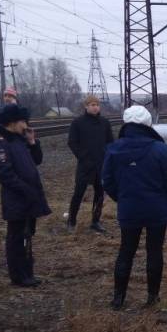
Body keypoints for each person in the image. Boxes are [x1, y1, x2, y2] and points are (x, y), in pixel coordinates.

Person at [101, 105, 167, 309]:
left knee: (126, 250)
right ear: (148, 124)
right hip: (158, 209)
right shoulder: (160, 149)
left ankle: (118, 299)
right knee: (154, 250)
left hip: (129, 208)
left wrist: (122, 198)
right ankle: (152, 297)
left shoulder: (114, 149)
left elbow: (106, 180)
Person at [0, 104, 50, 287]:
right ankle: (18, 276)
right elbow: (5, 175)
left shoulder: (19, 141)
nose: (26, 125)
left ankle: (27, 272)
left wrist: (32, 142)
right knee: (16, 237)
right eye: (23, 121)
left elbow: (37, 160)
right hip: (17, 200)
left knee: (27, 234)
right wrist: (26, 190)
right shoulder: (1, 145)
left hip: (29, 199)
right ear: (12, 122)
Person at [67, 95, 114, 233]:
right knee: (78, 193)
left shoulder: (104, 123)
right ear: (86, 106)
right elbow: (72, 142)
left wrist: (107, 157)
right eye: (92, 105)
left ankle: (95, 221)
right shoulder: (78, 123)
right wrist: (82, 156)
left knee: (99, 194)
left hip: (101, 164)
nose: (95, 107)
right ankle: (71, 221)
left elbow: (110, 142)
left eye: (97, 105)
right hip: (85, 165)